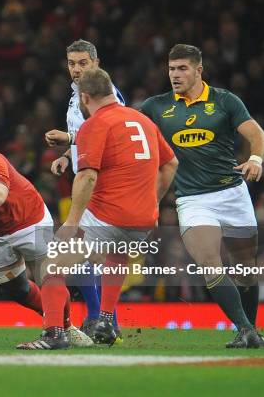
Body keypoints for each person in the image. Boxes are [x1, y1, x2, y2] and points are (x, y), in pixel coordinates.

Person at [139, 44, 264, 348]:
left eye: (182, 68)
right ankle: (244, 329)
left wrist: (256, 160)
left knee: (245, 270)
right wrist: (74, 141)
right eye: (171, 69)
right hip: (193, 200)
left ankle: (251, 330)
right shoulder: (156, 107)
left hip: (233, 193)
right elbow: (121, 128)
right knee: (209, 264)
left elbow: (258, 136)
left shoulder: (225, 101)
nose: (175, 75)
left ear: (199, 70)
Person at [55, 68, 179, 345]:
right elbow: (171, 163)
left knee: (52, 264)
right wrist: (154, 202)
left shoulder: (95, 125)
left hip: (109, 215)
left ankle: (54, 331)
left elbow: (87, 176)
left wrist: (72, 222)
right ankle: (107, 321)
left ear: (85, 97)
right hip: (144, 221)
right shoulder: (143, 120)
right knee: (116, 255)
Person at [0, 146, 93, 349]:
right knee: (16, 289)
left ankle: (54, 332)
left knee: (49, 274)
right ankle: (65, 326)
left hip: (28, 219)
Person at [44, 39, 125, 339]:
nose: (76, 70)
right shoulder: (75, 94)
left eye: (82, 63)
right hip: (85, 178)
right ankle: (102, 319)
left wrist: (68, 139)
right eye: (72, 64)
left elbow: (111, 135)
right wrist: (67, 156)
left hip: (102, 182)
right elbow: (85, 137)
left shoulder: (107, 95)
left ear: (96, 63)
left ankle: (101, 318)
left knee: (81, 251)